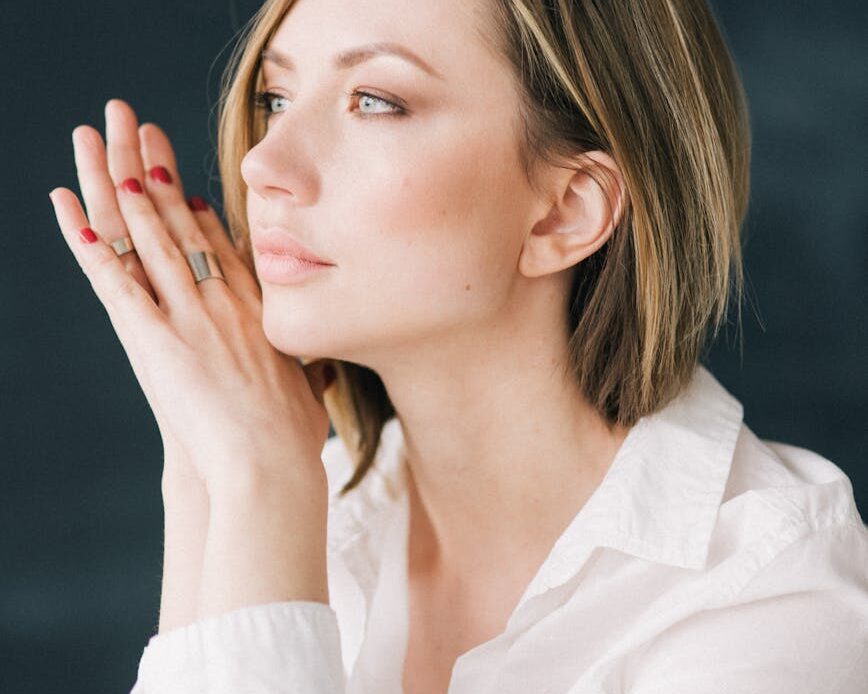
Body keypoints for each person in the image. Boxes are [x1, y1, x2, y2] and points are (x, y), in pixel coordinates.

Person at [48, 0, 867, 692]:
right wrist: (206, 470)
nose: (264, 163)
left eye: (374, 100)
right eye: (276, 98)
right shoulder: (308, 504)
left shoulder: (771, 608)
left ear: (564, 211)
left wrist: (255, 483)